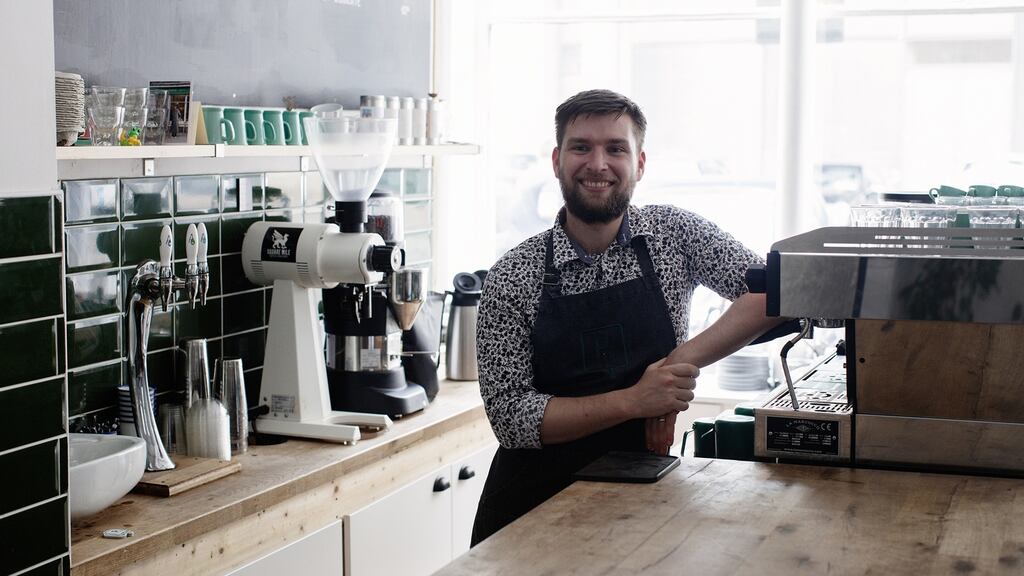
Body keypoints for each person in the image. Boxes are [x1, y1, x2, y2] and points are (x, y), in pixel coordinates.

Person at [470, 89, 785, 546]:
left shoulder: (674, 235)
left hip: (643, 496)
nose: (598, 164)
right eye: (582, 147)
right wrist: (638, 401)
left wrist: (676, 362)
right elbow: (512, 418)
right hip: (530, 509)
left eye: (615, 148)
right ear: (557, 160)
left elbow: (770, 293)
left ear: (639, 163)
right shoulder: (513, 276)